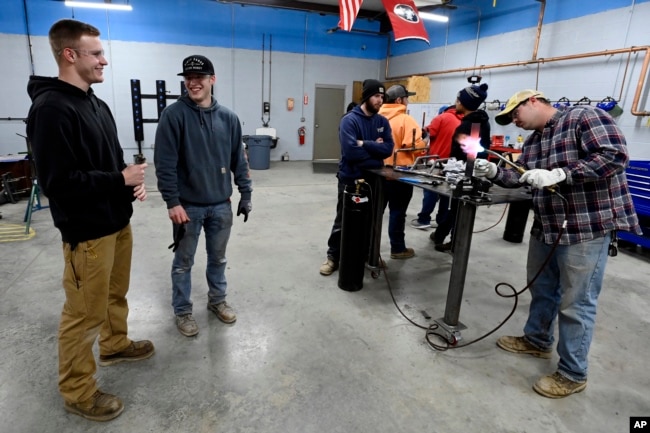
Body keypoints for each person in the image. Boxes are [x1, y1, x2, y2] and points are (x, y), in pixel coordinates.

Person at [474, 89, 641, 398]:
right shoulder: (535, 141)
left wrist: (563, 174)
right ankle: (537, 340)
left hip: (585, 229)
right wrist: (497, 172)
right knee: (543, 288)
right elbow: (523, 176)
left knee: (576, 302)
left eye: (515, 114)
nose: (514, 122)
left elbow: (614, 156)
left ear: (533, 101)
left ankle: (573, 373)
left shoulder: (584, 117)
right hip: (547, 228)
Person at [26, 19, 154, 422]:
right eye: (96, 53)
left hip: (117, 222)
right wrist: (119, 179)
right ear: (70, 55)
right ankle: (78, 391)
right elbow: (57, 184)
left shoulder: (95, 103)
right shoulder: (50, 109)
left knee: (115, 296)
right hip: (87, 233)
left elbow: (109, 163)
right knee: (82, 316)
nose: (104, 60)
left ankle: (114, 344)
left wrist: (128, 185)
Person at [154, 55, 252, 336]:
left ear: (212, 79)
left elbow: (239, 161)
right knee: (183, 263)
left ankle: (217, 301)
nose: (193, 83)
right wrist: (172, 202)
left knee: (218, 259)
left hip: (221, 205)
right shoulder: (173, 115)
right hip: (188, 208)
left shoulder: (229, 119)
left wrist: (246, 194)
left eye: (200, 78)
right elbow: (165, 163)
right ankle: (183, 311)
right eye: (189, 78)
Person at [319, 79, 394, 275]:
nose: (380, 100)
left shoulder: (382, 122)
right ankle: (333, 257)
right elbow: (351, 152)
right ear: (367, 97)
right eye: (376, 96)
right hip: (350, 179)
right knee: (343, 220)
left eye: (382, 97)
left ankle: (369, 255)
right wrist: (374, 149)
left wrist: (365, 144)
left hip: (374, 181)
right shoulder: (349, 120)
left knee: (371, 220)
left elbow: (388, 149)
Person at [430, 83, 490, 251]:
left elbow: (462, 154)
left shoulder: (467, 125)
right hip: (474, 171)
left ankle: (455, 243)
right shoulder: (483, 122)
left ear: (465, 102)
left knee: (458, 208)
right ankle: (441, 235)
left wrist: (452, 170)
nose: (456, 101)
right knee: (457, 208)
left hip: (465, 173)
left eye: (458, 98)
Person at [378, 84, 429, 259]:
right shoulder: (406, 120)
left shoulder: (376, 118)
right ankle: (398, 249)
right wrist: (423, 142)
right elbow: (413, 147)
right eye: (406, 98)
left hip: (378, 173)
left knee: (376, 215)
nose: (408, 101)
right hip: (400, 174)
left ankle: (371, 254)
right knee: (397, 212)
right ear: (399, 100)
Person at [410, 104, 463, 230]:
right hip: (453, 164)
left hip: (436, 161)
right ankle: (441, 222)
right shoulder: (462, 120)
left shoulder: (441, 118)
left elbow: (426, 133)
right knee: (446, 193)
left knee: (430, 190)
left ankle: (424, 219)